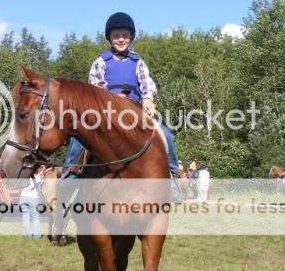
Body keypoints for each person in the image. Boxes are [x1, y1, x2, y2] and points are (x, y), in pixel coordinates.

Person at [63, 12, 179, 176]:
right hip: (106, 111)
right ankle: (70, 173)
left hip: (135, 110)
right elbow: (95, 88)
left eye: (125, 35)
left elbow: (147, 84)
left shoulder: (137, 62)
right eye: (116, 35)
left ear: (131, 37)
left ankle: (172, 175)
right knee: (79, 135)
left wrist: (147, 99)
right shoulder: (101, 62)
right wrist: (112, 99)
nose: (121, 39)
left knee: (166, 136)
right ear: (110, 38)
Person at [19, 166, 45, 239]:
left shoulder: (24, 177)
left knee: (25, 217)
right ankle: (37, 235)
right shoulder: (39, 178)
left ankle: (28, 235)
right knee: (35, 217)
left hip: (23, 197)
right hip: (34, 198)